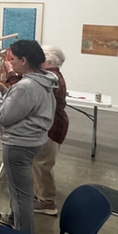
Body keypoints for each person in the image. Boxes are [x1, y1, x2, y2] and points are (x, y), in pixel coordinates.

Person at [0, 39, 57, 233]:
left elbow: (4, 116)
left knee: (21, 196)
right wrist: (5, 91)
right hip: (32, 141)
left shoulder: (26, 86)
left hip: (19, 145)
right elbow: (22, 105)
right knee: (20, 190)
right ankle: (14, 220)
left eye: (13, 59)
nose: (11, 62)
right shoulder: (43, 80)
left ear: (24, 60)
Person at [33, 46, 68, 216]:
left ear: (47, 62)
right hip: (53, 125)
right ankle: (40, 196)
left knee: (43, 164)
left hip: (51, 127)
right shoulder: (54, 76)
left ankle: (47, 201)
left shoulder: (51, 79)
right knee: (39, 163)